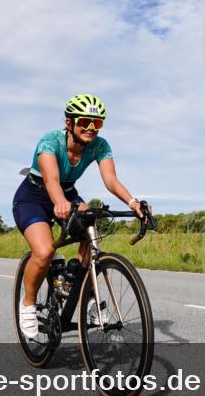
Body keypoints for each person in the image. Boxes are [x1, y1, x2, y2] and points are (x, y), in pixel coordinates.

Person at [12, 94, 145, 339]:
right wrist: (60, 201)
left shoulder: (100, 145)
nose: (91, 129)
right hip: (33, 196)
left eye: (98, 123)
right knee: (43, 253)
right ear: (70, 122)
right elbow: (52, 181)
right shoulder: (50, 141)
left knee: (91, 227)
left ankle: (84, 290)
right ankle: (28, 304)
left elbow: (111, 180)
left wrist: (133, 202)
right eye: (86, 121)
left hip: (68, 193)